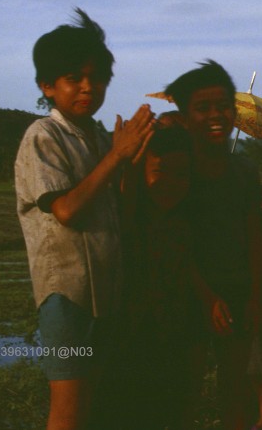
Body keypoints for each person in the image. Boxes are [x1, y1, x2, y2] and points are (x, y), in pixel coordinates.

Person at [14, 8, 155, 430]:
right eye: (74, 78)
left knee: (99, 403)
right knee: (69, 409)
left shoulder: (97, 137)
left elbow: (119, 213)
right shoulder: (44, 135)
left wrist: (129, 163)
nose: (88, 88)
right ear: (47, 86)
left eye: (97, 79)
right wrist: (118, 155)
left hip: (107, 292)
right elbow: (67, 211)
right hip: (67, 297)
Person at [164, 60, 262, 430]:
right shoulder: (177, 167)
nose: (215, 115)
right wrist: (207, 298)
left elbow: (256, 234)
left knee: (236, 389)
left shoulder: (244, 170)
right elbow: (175, 239)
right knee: (184, 388)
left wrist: (255, 294)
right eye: (202, 108)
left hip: (238, 291)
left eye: (222, 106)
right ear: (186, 114)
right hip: (187, 293)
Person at [96, 124, 198, 430]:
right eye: (160, 172)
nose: (171, 183)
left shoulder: (185, 223)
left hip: (173, 337)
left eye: (182, 175)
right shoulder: (126, 219)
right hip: (131, 340)